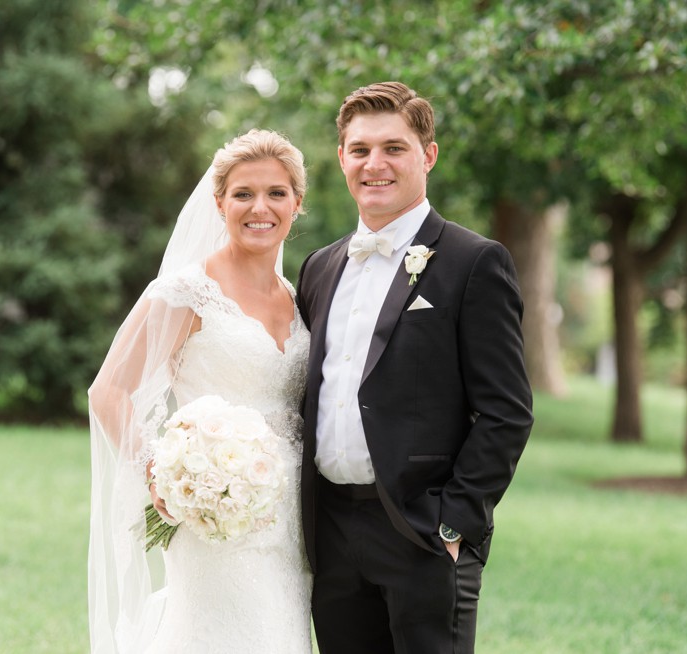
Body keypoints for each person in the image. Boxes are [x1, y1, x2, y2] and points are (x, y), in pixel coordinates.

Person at [296, 81, 534, 654]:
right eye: (360, 150)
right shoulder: (319, 267)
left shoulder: (473, 261)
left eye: (393, 148)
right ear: (342, 159)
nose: (374, 164)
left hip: (421, 533)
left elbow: (506, 412)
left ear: (427, 155)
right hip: (330, 531)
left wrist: (453, 523)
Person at [87, 129, 313, 654]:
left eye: (276, 193)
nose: (261, 207)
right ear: (219, 204)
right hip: (215, 514)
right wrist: (164, 476)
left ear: (297, 204)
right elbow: (109, 391)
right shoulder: (187, 292)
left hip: (291, 522)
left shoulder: (298, 298)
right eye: (243, 194)